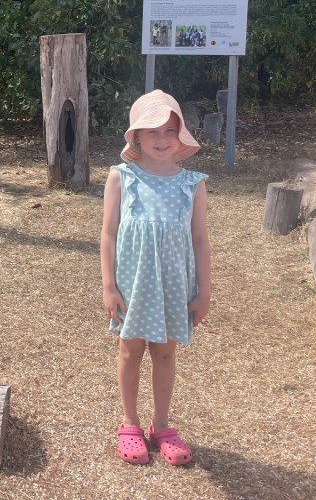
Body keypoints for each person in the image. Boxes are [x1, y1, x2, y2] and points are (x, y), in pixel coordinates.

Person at [99, 89, 211, 466]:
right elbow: (108, 234)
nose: (162, 139)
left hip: (174, 288)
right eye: (152, 131)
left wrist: (204, 292)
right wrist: (109, 286)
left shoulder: (192, 184)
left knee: (165, 353)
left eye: (169, 131)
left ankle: (161, 425)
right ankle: (129, 423)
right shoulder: (121, 178)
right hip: (132, 287)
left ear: (180, 135)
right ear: (136, 136)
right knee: (130, 351)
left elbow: (200, 239)